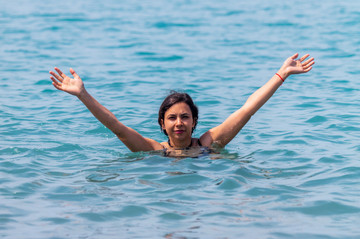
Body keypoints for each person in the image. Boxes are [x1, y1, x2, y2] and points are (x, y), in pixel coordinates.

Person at [50, 53, 314, 153]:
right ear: (162, 125)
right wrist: (82, 94)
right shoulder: (152, 150)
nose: (179, 122)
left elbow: (247, 109)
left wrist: (282, 74)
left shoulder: (209, 143)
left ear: (194, 122)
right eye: (172, 117)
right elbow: (117, 127)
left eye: (185, 117)